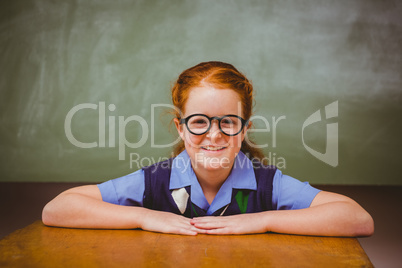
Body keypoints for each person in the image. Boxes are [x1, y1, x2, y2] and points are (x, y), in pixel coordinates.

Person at [42, 61, 374, 236]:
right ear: (180, 128)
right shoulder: (153, 182)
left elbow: (358, 219)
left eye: (228, 122)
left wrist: (263, 221)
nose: (214, 135)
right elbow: (57, 209)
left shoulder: (268, 185)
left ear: (244, 131)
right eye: (199, 122)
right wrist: (143, 217)